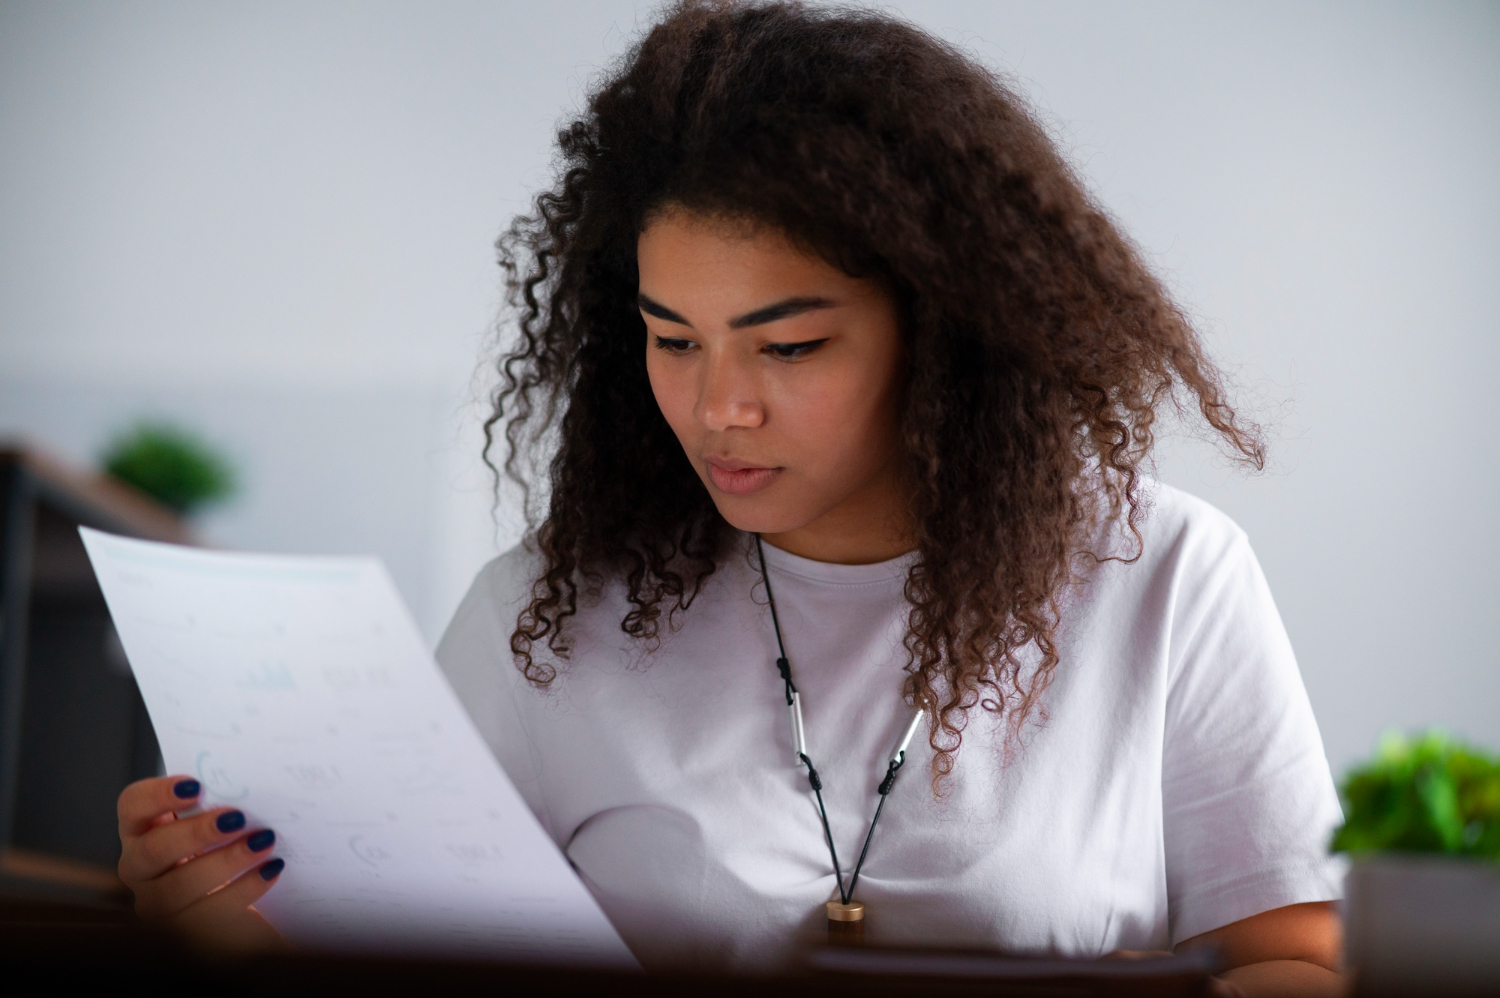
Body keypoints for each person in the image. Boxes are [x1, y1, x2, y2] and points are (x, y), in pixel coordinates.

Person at [114, 2, 1346, 993]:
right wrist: (232, 927)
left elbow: (1294, 955)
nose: (719, 407)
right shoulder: (543, 616)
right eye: (673, 338)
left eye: (789, 346)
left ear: (949, 333)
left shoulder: (1167, 573)